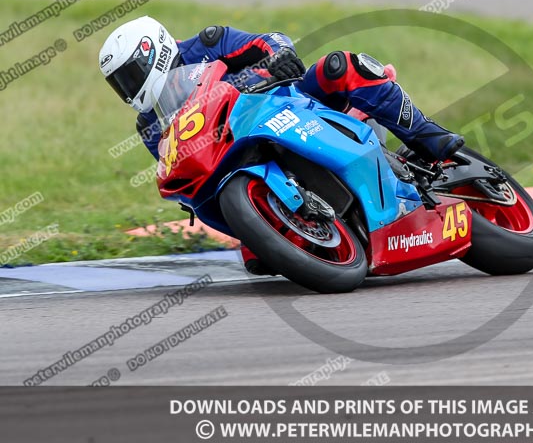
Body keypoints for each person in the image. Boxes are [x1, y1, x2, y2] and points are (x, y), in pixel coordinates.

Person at [99, 16, 464, 273]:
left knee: (341, 66)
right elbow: (179, 166)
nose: (128, 90)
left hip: (291, 104)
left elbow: (269, 41)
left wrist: (277, 59)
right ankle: (293, 221)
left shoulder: (209, 43)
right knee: (260, 262)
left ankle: (430, 137)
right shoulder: (148, 122)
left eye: (130, 77)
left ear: (154, 53)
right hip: (239, 159)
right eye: (120, 85)